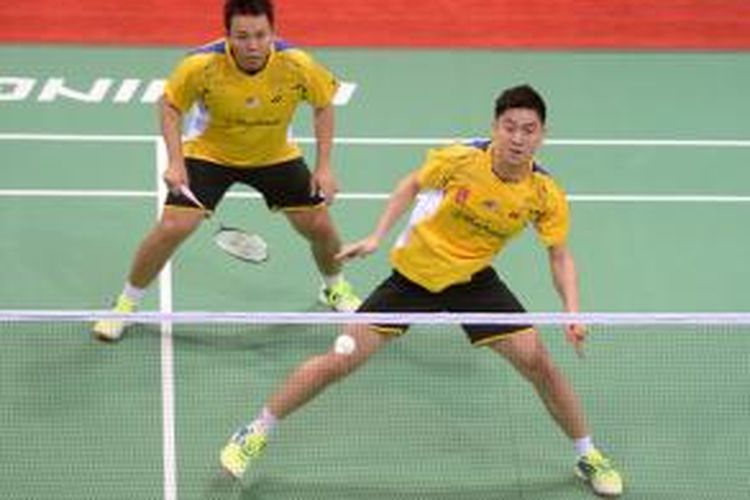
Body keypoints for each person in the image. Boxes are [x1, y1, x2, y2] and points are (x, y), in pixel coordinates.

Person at [218, 84, 624, 497]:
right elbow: (411, 185)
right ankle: (255, 431)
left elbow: (560, 255)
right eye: (510, 127)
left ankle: (588, 455)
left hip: (473, 281)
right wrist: (377, 236)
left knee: (540, 364)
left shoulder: (544, 193)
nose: (518, 138)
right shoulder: (461, 159)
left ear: (543, 134)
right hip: (414, 275)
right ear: (495, 128)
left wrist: (572, 311)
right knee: (339, 361)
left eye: (528, 129)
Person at [93, 0, 361, 340]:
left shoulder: (297, 64)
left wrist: (324, 167)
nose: (252, 45)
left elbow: (323, 105)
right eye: (242, 36)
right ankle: (125, 305)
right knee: (173, 226)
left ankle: (335, 288)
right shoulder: (201, 65)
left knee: (321, 226)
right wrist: (175, 161)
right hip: (211, 155)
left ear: (273, 33)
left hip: (274, 154)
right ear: (228, 35)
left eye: (260, 35)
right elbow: (170, 105)